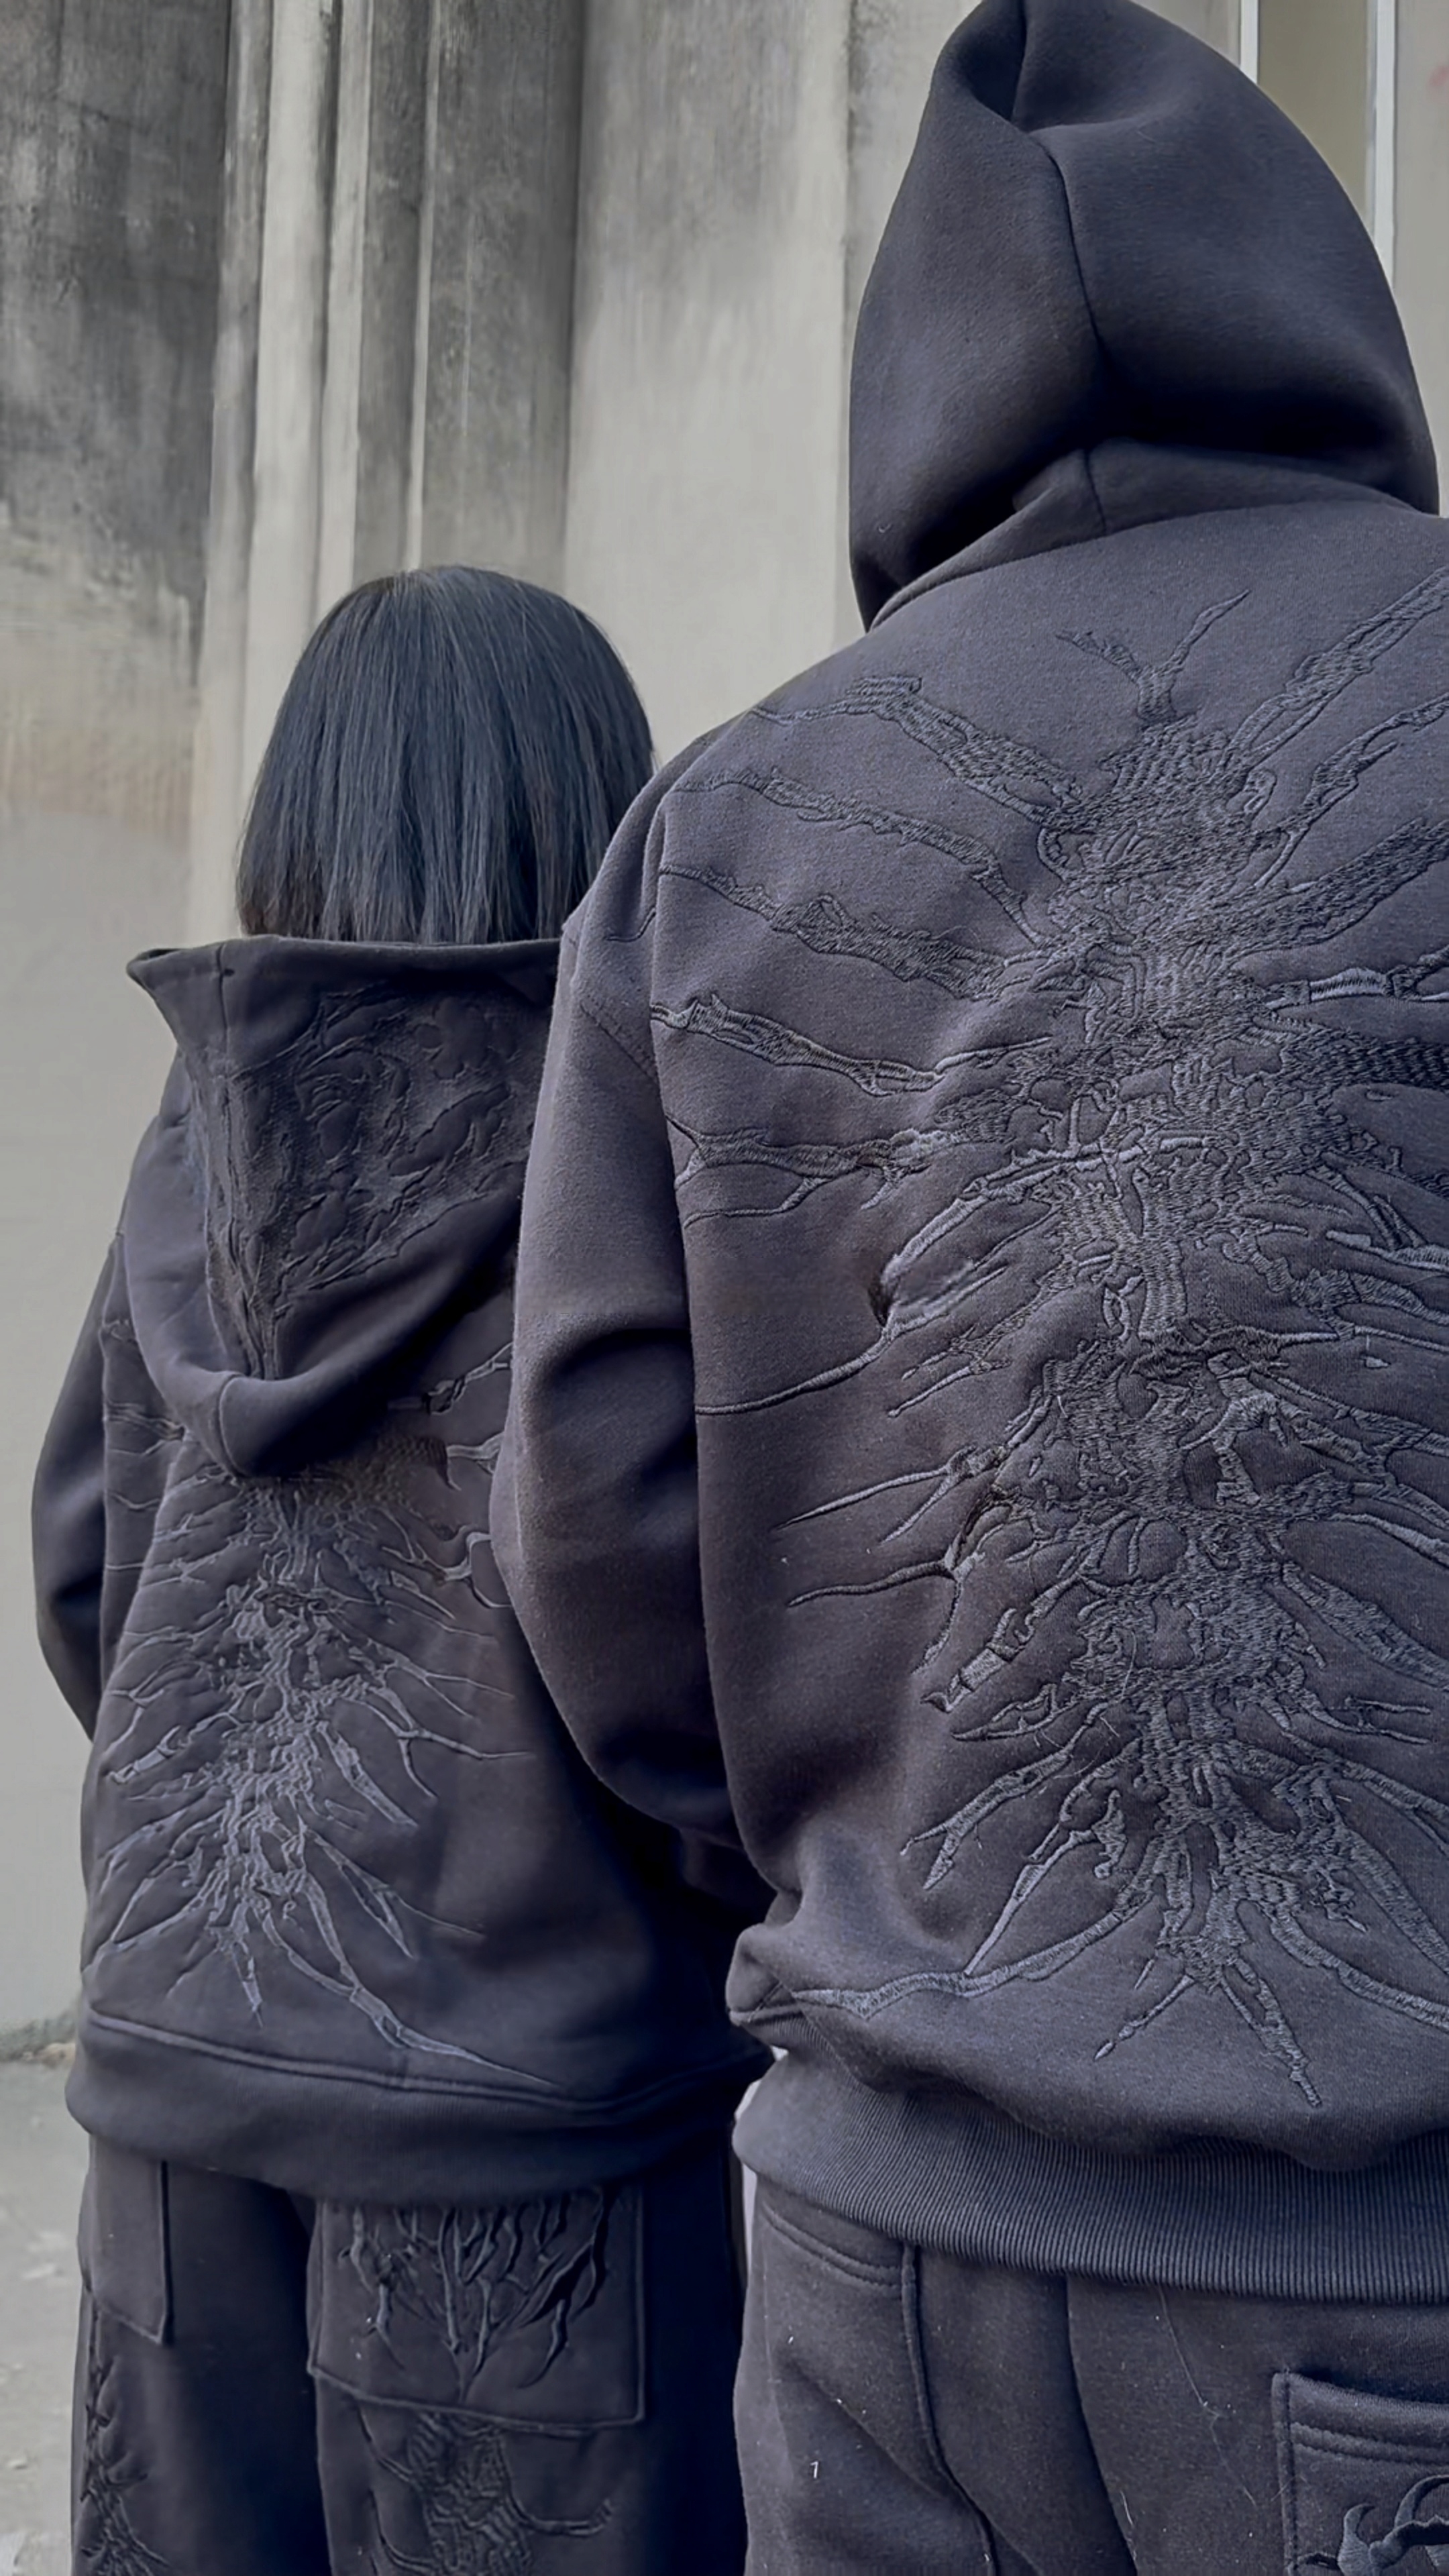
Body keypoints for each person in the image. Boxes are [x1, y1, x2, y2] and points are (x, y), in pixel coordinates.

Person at [492, 4, 1449, 2569]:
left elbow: (595, 1523)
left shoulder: (721, 821)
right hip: (1387, 2257)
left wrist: (863, 1869)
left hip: (879, 2258)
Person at [33, 566, 761, 2576]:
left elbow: (88, 1568)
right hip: (535, 2130)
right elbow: (674, 1615)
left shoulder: (196, 1140)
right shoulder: (636, 1125)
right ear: (593, 801)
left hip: (174, 2114)